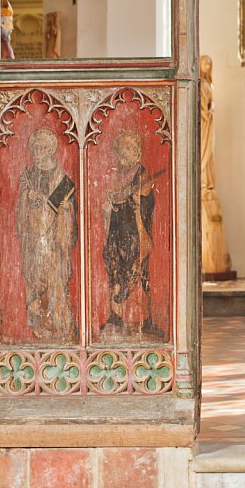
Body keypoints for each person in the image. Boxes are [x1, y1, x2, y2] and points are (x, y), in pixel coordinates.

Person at [17, 127, 77, 342]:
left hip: (53, 240)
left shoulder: (62, 179)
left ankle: (59, 327)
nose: (39, 150)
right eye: (36, 147)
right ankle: (39, 323)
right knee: (35, 280)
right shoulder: (30, 176)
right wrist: (28, 197)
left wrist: (65, 210)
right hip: (34, 240)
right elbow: (22, 212)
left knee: (55, 281)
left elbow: (68, 207)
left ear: (52, 149)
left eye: (44, 147)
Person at [101, 130, 163, 338]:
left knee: (134, 270)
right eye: (121, 149)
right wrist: (110, 204)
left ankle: (138, 318)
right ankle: (116, 315)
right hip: (116, 231)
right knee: (113, 264)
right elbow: (110, 198)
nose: (124, 153)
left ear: (137, 153)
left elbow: (146, 203)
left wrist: (136, 204)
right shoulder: (117, 174)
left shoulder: (141, 175)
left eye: (129, 149)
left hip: (135, 232)